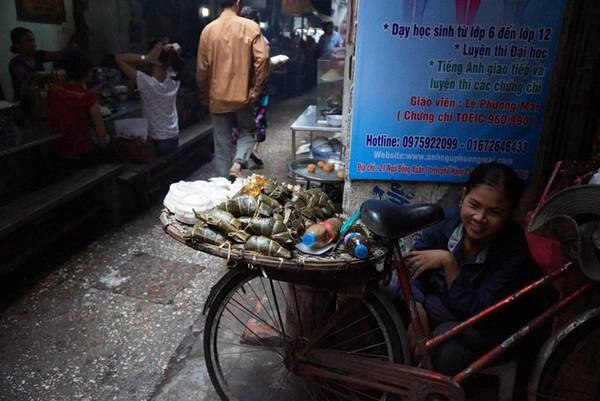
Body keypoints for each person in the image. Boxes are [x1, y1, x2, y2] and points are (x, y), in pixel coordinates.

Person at [403, 162, 539, 376]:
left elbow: (481, 311)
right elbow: (411, 268)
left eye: (494, 212)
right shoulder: (446, 222)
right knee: (397, 304)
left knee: (446, 343)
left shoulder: (513, 248)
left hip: (487, 327)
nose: (479, 218)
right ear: (463, 196)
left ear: (510, 214)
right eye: (474, 205)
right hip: (444, 309)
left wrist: (449, 263)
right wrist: (416, 305)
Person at [197, 0, 270, 180]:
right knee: (248, 131)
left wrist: (208, 93)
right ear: (237, 3)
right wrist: (256, 90)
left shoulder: (208, 31)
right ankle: (237, 164)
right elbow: (263, 59)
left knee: (221, 146)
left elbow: (202, 70)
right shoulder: (250, 27)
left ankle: (223, 189)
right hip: (243, 97)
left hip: (217, 99)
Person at [115, 40, 184, 156]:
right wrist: (167, 48)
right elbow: (178, 46)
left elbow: (119, 58)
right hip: (174, 137)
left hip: (158, 142)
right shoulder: (173, 77)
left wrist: (146, 58)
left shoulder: (146, 82)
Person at [47, 52, 110, 169]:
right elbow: (102, 136)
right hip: (81, 154)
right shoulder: (88, 98)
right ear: (87, 72)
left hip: (58, 153)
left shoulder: (53, 90)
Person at [9, 27, 73, 104]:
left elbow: (59, 55)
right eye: (28, 41)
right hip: (24, 105)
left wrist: (71, 45)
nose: (33, 44)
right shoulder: (15, 62)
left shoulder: (38, 55)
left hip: (41, 101)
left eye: (33, 40)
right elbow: (25, 77)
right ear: (18, 45)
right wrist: (50, 74)